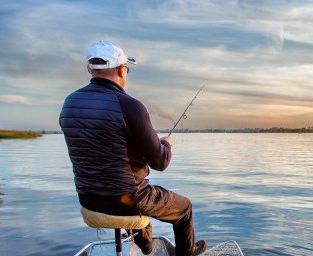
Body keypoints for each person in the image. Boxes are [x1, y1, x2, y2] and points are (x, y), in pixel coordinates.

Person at [59, 40, 206, 256]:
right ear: (121, 69)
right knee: (184, 208)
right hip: (127, 200)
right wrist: (166, 143)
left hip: (87, 197)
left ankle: (146, 244)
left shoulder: (69, 103)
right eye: (127, 69)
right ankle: (186, 252)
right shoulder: (130, 105)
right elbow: (160, 162)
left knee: (135, 187)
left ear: (91, 69)